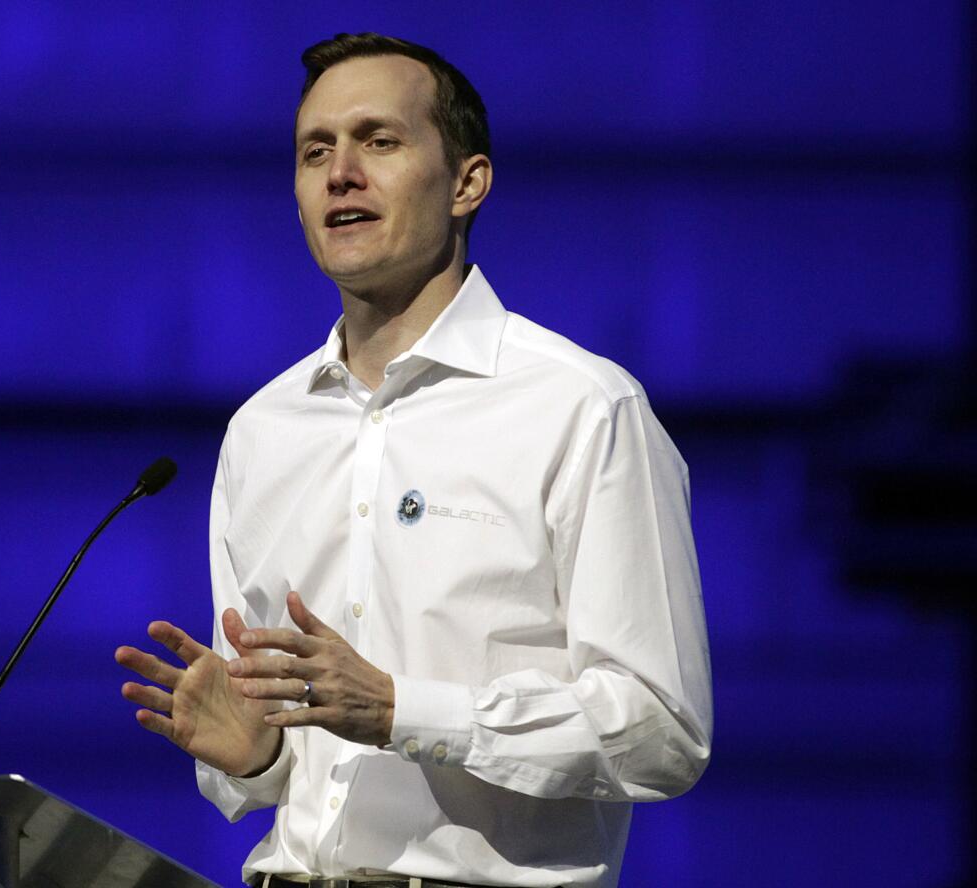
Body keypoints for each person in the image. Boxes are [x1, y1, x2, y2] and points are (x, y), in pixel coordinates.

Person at [115, 32, 712, 888]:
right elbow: (276, 763)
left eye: (379, 141)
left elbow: (661, 732)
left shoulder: (581, 407)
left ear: (468, 183)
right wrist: (252, 757)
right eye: (314, 150)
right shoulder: (264, 429)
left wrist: (406, 711)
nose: (340, 173)